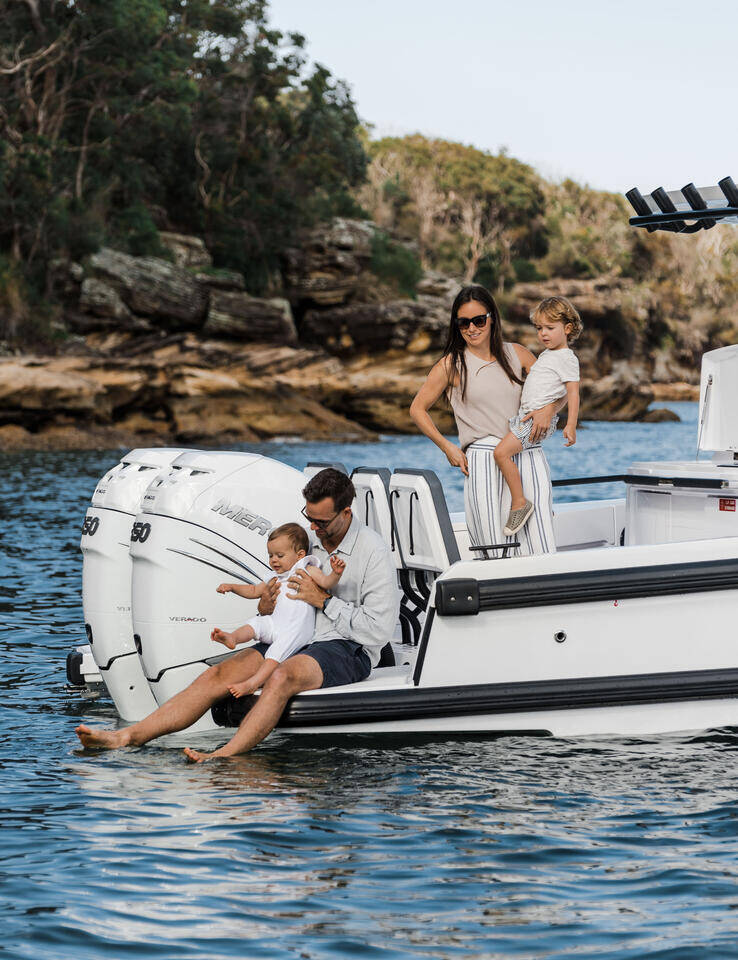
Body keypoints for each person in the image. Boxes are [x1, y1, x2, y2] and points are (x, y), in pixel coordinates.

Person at [75, 468, 398, 761]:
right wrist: (267, 604)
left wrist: (324, 601)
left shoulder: (373, 552)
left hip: (347, 647)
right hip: (295, 636)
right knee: (218, 674)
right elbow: (271, 602)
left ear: (346, 513)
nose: (313, 528)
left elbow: (378, 631)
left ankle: (223, 754)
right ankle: (126, 736)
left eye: (321, 523)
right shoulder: (305, 541)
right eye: (309, 518)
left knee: (281, 676)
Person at [409, 284, 562, 557]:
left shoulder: (518, 354)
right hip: (484, 461)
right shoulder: (451, 365)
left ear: (492, 318)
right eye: (463, 322)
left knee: (540, 546)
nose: (472, 328)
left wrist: (548, 410)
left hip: (529, 457)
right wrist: (447, 447)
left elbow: (560, 388)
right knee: (494, 550)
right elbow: (417, 409)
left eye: (479, 320)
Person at [210, 522, 346, 699]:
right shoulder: (274, 576)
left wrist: (336, 573)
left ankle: (253, 683)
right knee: (256, 623)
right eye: (271, 555)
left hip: (295, 629)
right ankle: (233, 638)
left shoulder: (306, 569)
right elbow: (253, 591)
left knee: (274, 654)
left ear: (300, 555)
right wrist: (232, 587)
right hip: (275, 623)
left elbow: (327, 583)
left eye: (280, 555)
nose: (274, 560)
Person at [494, 297, 582, 536]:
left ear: (567, 328)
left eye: (550, 328)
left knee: (501, 454)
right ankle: (541, 506)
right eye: (539, 328)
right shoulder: (547, 355)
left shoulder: (567, 358)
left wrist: (571, 424)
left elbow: (573, 393)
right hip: (527, 416)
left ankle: (520, 503)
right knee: (510, 455)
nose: (543, 333)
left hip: (535, 422)